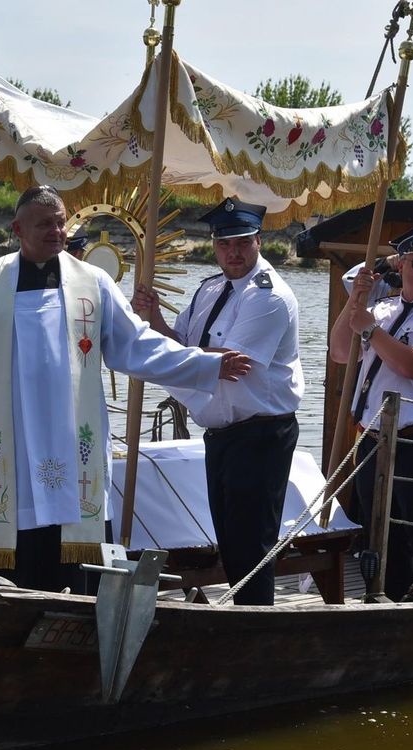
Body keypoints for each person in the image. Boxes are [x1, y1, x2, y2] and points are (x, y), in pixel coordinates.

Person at [0, 186, 250, 594]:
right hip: (5, 445)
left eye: (61, 221)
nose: (57, 230)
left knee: (71, 551)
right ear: (17, 228)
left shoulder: (92, 283)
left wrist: (204, 363)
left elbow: (137, 345)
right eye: (45, 223)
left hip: (70, 445)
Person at [132, 197, 303, 605]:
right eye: (225, 244)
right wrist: (153, 320)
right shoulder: (209, 289)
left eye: (243, 243)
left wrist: (170, 359)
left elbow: (233, 363)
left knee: (251, 546)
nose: (234, 253)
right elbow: (186, 347)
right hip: (222, 433)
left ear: (259, 241)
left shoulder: (268, 295)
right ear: (214, 246)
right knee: (229, 540)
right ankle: (243, 621)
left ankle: (255, 625)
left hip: (260, 432)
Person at [329, 222, 413, 601]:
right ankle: (385, 600)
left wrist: (372, 331)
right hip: (374, 437)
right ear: (402, 265)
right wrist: (355, 302)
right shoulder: (382, 308)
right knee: (379, 529)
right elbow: (340, 353)